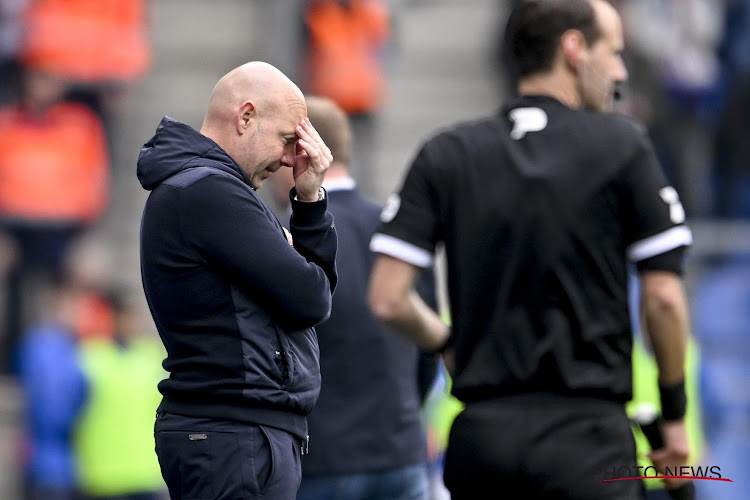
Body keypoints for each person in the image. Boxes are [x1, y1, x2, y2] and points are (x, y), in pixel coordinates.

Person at [368, 1, 694, 499]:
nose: (620, 72)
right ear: (573, 49)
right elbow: (664, 299)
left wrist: (445, 344)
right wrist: (673, 416)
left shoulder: (446, 151)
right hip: (587, 443)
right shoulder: (622, 145)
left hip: (482, 443)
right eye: (614, 52)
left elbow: (388, 298)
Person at [138, 61, 337, 500]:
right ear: (246, 117)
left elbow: (309, 291)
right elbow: (311, 298)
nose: (291, 158)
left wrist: (308, 204)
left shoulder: (209, 187)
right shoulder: (209, 190)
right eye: (288, 139)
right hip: (232, 437)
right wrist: (306, 209)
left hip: (231, 436)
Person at [287, 95, 438, 500]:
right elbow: (429, 340)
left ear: (300, 151)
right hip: (400, 450)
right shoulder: (397, 229)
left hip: (321, 460)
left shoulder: (292, 236)